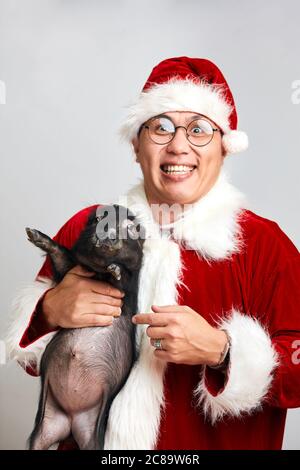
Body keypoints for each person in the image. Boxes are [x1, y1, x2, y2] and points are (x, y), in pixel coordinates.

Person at [6, 56, 300, 450]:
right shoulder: (90, 226)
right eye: (160, 127)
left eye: (199, 130)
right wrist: (48, 311)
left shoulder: (265, 245)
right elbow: (31, 359)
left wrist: (222, 350)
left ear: (224, 149)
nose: (178, 146)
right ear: (135, 144)